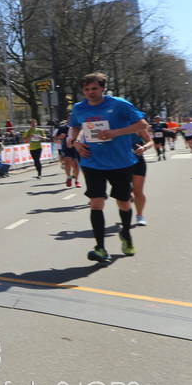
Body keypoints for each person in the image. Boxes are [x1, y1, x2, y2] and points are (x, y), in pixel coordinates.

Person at [70, 72, 148, 262]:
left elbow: (142, 124)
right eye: (87, 89)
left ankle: (126, 234)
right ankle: (100, 248)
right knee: (96, 203)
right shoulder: (79, 108)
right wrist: (76, 143)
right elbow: (76, 127)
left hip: (120, 161)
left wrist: (116, 132)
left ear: (103, 88)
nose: (91, 92)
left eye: (94, 88)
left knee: (123, 202)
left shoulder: (120, 104)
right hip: (92, 161)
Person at [130, 128, 153, 227]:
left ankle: (140, 215)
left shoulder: (138, 126)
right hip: (120, 163)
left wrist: (144, 147)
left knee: (138, 191)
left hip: (137, 161)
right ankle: (129, 197)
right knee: (125, 192)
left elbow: (150, 141)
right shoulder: (113, 124)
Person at [54, 118, 82, 187]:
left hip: (76, 147)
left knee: (75, 165)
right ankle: (69, 177)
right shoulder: (62, 128)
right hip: (66, 147)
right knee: (67, 161)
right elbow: (55, 138)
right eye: (70, 118)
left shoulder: (78, 127)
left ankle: (77, 180)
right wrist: (59, 137)